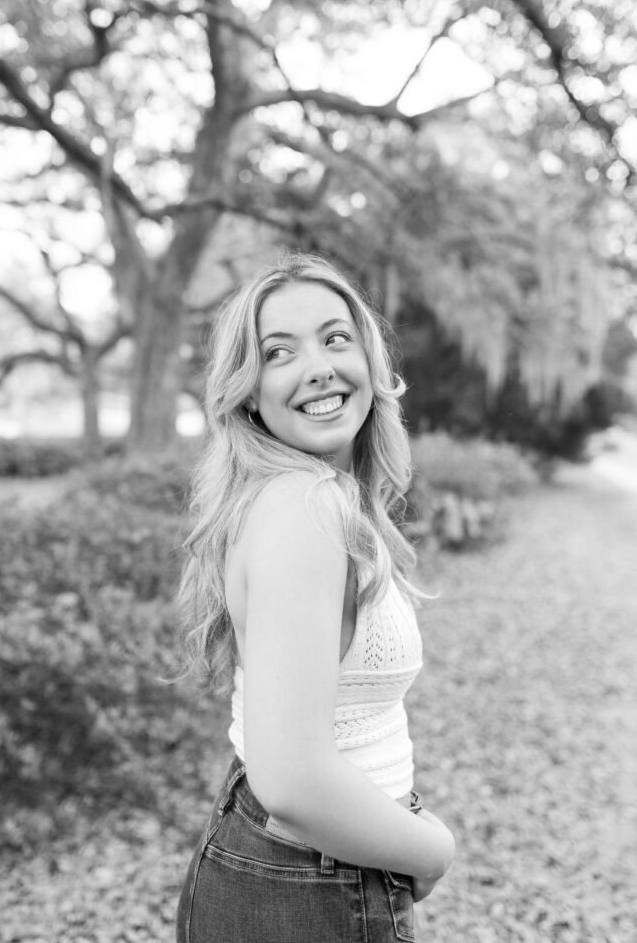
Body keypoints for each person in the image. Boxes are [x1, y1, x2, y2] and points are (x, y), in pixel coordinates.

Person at [176, 253, 454, 943]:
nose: (319, 366)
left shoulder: (309, 497)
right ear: (247, 390)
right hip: (308, 881)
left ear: (368, 356)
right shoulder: (303, 505)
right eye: (279, 352)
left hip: (302, 868)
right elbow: (293, 781)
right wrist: (429, 849)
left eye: (335, 337)